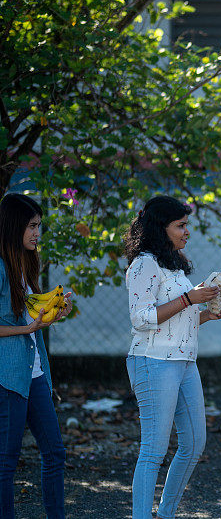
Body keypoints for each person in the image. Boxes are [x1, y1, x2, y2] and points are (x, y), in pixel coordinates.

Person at [123, 195, 221, 519]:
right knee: (153, 451)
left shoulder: (174, 263)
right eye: (180, 225)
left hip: (183, 363)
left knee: (195, 443)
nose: (186, 232)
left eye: (187, 225)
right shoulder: (144, 263)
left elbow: (178, 318)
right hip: (153, 362)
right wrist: (189, 298)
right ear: (161, 227)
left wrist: (207, 314)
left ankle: (165, 513)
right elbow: (141, 318)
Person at [0, 193, 72, 519]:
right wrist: (26, 329)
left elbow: (32, 321)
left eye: (38, 226)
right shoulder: (1, 269)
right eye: (31, 226)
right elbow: (19, 326)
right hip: (9, 376)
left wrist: (53, 315)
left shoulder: (26, 264)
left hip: (36, 374)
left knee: (55, 452)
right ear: (13, 226)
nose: (36, 233)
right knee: (6, 463)